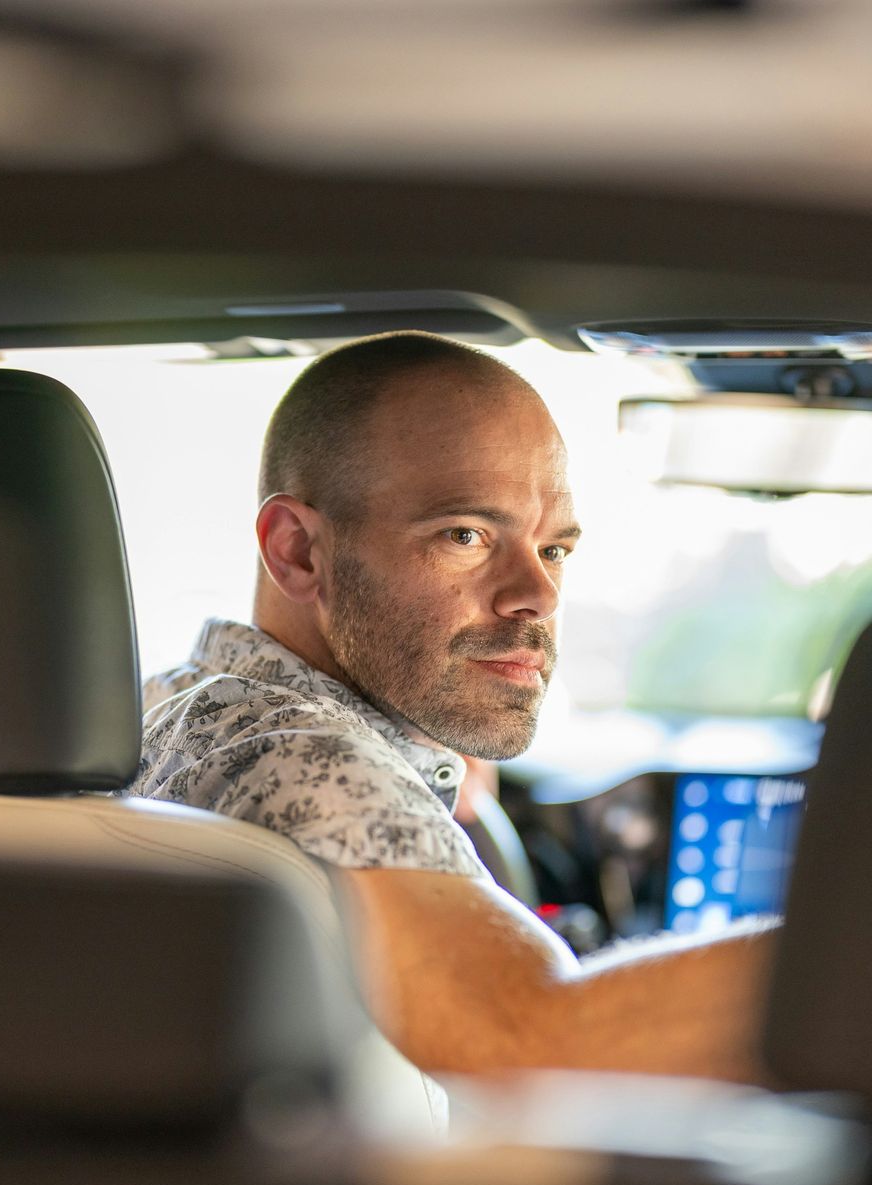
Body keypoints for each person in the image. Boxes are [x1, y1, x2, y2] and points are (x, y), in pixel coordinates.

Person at [131, 331, 771, 1081]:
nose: (539, 595)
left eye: (554, 549)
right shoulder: (311, 761)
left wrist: (428, 778)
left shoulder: (187, 698)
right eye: (466, 534)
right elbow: (534, 1046)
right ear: (298, 551)